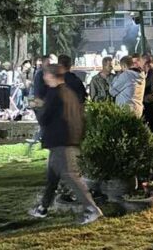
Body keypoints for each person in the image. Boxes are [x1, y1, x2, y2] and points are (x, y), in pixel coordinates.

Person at [27, 65, 102, 225]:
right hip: (69, 139)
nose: (44, 77)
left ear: (51, 76)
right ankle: (43, 208)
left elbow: (44, 119)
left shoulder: (54, 94)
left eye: (46, 74)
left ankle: (92, 209)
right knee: (52, 177)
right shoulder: (69, 93)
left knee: (71, 176)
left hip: (61, 141)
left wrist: (36, 108)